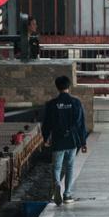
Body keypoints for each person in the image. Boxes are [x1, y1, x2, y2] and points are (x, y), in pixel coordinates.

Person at [41, 75, 89, 205]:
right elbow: (81, 124)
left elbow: (46, 124)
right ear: (69, 86)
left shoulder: (51, 104)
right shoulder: (76, 103)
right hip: (72, 140)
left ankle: (57, 184)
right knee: (69, 167)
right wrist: (83, 141)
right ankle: (67, 195)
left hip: (58, 140)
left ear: (57, 87)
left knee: (56, 167)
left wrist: (46, 138)